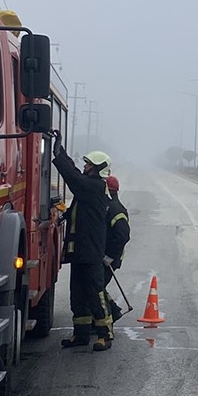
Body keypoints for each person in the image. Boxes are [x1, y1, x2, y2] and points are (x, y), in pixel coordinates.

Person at [53, 137, 115, 351]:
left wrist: (60, 155)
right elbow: (76, 206)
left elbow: (74, 178)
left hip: (91, 253)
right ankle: (80, 334)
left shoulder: (95, 187)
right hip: (80, 252)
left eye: (89, 164)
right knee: (77, 295)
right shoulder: (87, 190)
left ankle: (105, 335)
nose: (85, 166)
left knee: (95, 294)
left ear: (98, 169)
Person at [102, 174, 130, 324]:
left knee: (97, 288)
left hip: (110, 259)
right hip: (104, 256)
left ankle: (111, 312)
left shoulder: (116, 209)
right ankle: (113, 310)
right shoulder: (108, 206)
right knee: (97, 286)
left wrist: (110, 256)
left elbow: (123, 236)